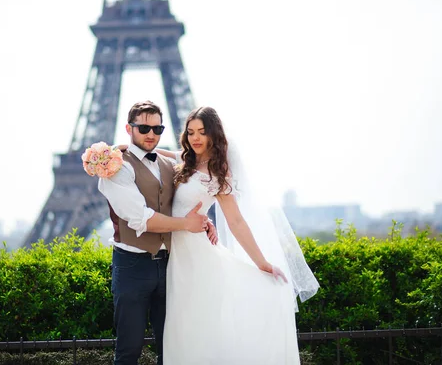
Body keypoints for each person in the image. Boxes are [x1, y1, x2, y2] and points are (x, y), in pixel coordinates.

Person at [156, 106, 320, 365]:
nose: (195, 138)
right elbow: (160, 154)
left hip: (197, 258)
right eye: (190, 132)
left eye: (202, 132)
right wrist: (123, 150)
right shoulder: (187, 161)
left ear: (213, 134)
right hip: (180, 255)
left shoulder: (218, 174)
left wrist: (262, 263)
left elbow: (236, 221)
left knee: (195, 328)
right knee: (181, 327)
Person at [97, 101, 218, 365]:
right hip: (132, 267)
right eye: (143, 128)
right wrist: (187, 224)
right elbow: (142, 218)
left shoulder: (169, 163)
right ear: (129, 128)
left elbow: (184, 197)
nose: (151, 134)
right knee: (128, 351)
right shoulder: (116, 168)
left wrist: (202, 219)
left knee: (173, 350)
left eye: (157, 128)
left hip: (172, 266)